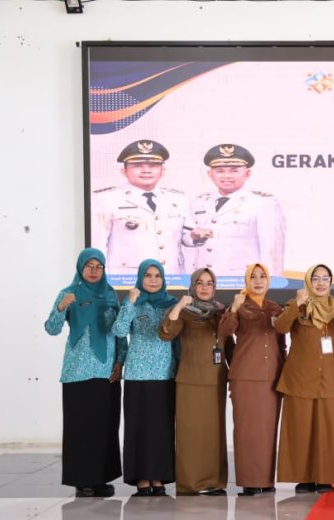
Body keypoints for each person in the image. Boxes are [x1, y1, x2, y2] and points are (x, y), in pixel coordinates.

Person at [44, 248, 126, 497]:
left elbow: (119, 332)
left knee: (105, 427)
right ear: (80, 267)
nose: (94, 271)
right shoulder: (69, 293)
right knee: (81, 428)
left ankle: (100, 479)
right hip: (78, 372)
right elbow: (51, 329)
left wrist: (120, 361)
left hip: (107, 372)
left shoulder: (110, 294)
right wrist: (60, 308)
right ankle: (83, 480)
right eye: (89, 266)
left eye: (98, 266)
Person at [275, 264, 334, 493]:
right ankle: (304, 478)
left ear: (331, 282)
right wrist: (297, 304)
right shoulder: (296, 305)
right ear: (308, 282)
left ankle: (325, 476)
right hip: (299, 378)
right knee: (301, 428)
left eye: (325, 278)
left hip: (330, 377)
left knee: (328, 429)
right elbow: (280, 327)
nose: (320, 283)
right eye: (315, 279)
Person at [160, 268, 232, 495]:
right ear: (192, 285)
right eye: (200, 283)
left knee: (213, 434)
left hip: (216, 380)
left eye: (209, 283)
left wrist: (235, 375)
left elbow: (229, 344)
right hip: (190, 380)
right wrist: (179, 306)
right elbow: (166, 333)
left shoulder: (220, 312)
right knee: (190, 434)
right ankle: (190, 483)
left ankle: (213, 482)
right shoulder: (184, 311)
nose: (204, 287)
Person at [91, 140, 207, 275]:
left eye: (153, 165)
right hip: (128, 279)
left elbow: (187, 237)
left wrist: (196, 236)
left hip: (171, 276)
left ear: (163, 171)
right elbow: (98, 246)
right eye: (137, 166)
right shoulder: (105, 199)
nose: (146, 170)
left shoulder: (178, 199)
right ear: (124, 171)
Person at [112, 259, 177, 496]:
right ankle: (141, 477)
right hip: (137, 375)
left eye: (157, 276)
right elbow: (119, 330)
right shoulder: (133, 303)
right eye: (148, 275)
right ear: (140, 278)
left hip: (164, 374)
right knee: (138, 427)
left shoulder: (171, 304)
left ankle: (158, 476)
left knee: (161, 429)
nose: (153, 280)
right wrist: (130, 302)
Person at [218, 263, 285, 496]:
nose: (258, 281)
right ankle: (249, 481)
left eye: (262, 276)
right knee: (247, 430)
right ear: (247, 281)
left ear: (268, 280)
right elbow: (224, 332)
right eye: (253, 277)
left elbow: (281, 345)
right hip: (245, 376)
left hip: (272, 376)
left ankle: (265, 480)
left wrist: (285, 375)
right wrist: (234, 308)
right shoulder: (239, 305)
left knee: (268, 430)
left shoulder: (275, 308)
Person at [192, 144, 286, 278]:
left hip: (242, 282)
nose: (227, 176)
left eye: (234, 171)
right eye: (219, 171)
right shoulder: (199, 202)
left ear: (247, 173)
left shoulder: (263, 203)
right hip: (205, 281)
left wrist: (272, 285)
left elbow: (272, 252)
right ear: (210, 174)